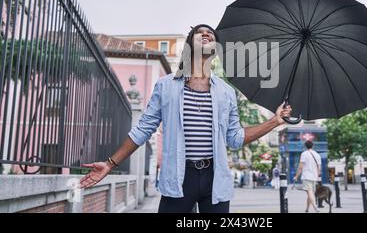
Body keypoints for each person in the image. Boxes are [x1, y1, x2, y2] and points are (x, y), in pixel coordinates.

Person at [79, 24, 292, 213]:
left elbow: (235, 138)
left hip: (214, 179)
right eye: (200, 32)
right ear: (190, 45)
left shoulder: (227, 92)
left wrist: (274, 120)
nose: (206, 34)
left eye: (211, 34)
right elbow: (143, 130)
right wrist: (109, 163)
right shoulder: (166, 85)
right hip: (178, 177)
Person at [293, 140, 321, 213]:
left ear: (305, 146)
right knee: (310, 193)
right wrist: (317, 177)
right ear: (313, 146)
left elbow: (300, 166)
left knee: (309, 192)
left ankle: (315, 207)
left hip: (306, 176)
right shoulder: (317, 155)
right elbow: (319, 168)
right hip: (314, 177)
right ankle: (307, 209)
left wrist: (296, 176)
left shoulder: (304, 154)